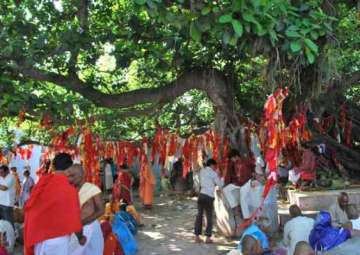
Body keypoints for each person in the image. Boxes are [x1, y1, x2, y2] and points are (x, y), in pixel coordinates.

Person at [24, 153, 83, 255]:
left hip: (38, 239)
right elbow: (75, 219)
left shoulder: (41, 183)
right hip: (58, 240)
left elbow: (30, 209)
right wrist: (81, 238)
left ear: (54, 166)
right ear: (70, 168)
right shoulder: (69, 189)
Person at [67, 164, 104, 255]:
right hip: (76, 230)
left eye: (73, 176)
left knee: (94, 251)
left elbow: (101, 210)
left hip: (90, 226)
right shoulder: (70, 190)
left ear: (81, 175)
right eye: (69, 176)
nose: (70, 179)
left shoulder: (93, 189)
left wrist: (82, 223)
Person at [194, 159, 224, 243]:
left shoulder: (202, 171)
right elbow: (220, 184)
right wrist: (221, 177)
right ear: (212, 165)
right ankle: (207, 237)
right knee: (209, 216)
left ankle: (197, 236)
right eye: (215, 166)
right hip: (208, 196)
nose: (215, 168)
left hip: (201, 195)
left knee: (199, 216)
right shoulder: (213, 173)